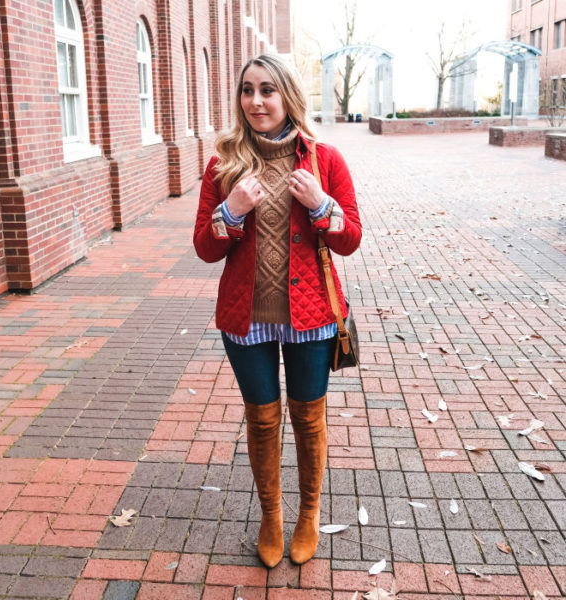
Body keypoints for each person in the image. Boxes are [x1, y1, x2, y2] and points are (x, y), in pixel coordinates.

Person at [193, 54, 361, 568]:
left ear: (287, 95)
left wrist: (320, 205)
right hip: (247, 320)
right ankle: (272, 515)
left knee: (308, 420)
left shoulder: (324, 159)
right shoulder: (223, 164)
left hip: (310, 318)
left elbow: (351, 237)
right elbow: (204, 247)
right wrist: (231, 211)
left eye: (268, 90)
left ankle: (308, 514)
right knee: (263, 421)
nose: (256, 101)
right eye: (247, 90)